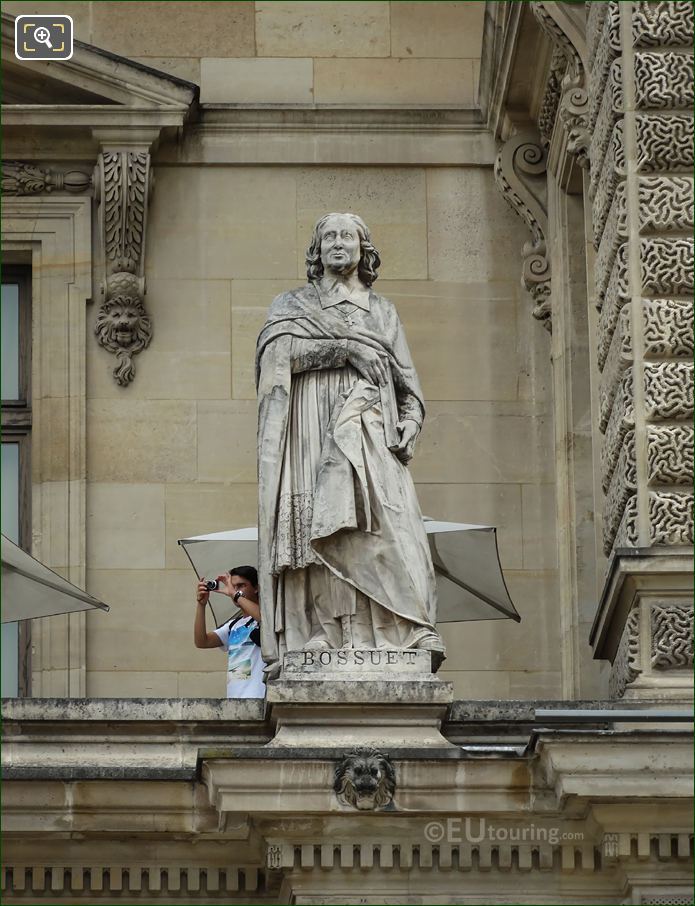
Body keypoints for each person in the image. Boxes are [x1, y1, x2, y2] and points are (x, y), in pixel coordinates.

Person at [255, 212, 446, 679]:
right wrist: (343, 350)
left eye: (348, 236)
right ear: (316, 251)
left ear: (365, 249)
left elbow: (406, 379)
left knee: (383, 520)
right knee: (317, 523)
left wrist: (412, 420)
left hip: (369, 423)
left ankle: (389, 626)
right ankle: (324, 630)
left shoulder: (382, 310)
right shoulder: (292, 303)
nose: (339, 243)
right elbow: (277, 356)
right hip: (310, 424)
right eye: (329, 237)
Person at [194, 565, 266, 699]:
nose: (235, 590)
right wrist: (201, 604)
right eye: (232, 586)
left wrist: (234, 594)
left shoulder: (265, 616)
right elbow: (201, 641)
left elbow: (264, 618)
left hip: (259, 696)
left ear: (256, 588)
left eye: (241, 586)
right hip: (235, 697)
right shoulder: (233, 625)